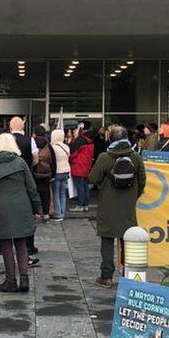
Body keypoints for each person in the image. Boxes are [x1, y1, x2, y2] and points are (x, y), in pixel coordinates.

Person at [0, 133, 43, 293]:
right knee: (21, 243)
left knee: (6, 244)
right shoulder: (20, 162)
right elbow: (31, 187)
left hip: (1, 207)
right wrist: (37, 208)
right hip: (21, 205)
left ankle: (10, 281)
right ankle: (24, 279)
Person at [90, 125, 146, 287]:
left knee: (107, 240)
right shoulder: (135, 156)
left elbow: (93, 178)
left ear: (111, 138)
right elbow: (142, 180)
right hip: (128, 205)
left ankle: (106, 276)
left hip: (108, 205)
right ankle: (128, 276)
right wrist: (133, 195)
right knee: (128, 240)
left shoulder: (105, 157)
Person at [8, 116, 41, 264]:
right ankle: (29, 246)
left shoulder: (6, 140)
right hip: (26, 179)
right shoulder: (30, 140)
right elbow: (36, 159)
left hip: (8, 180)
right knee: (27, 213)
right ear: (22, 127)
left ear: (10, 127)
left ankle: (6, 244)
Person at [69, 121, 95, 211]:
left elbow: (72, 154)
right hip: (86, 166)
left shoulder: (79, 140)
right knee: (85, 186)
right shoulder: (90, 141)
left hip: (78, 166)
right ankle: (85, 204)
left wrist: (72, 141)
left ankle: (80, 205)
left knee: (80, 187)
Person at [32, 124, 55, 221]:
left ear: (34, 133)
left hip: (35, 172)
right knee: (46, 194)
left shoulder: (32, 143)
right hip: (46, 173)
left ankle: (36, 213)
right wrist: (53, 173)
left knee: (34, 193)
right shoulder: (48, 145)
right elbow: (53, 160)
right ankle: (46, 214)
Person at [50, 128, 71, 222]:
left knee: (56, 193)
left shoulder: (53, 147)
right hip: (66, 170)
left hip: (57, 171)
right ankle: (62, 212)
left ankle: (58, 214)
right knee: (63, 193)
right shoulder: (66, 147)